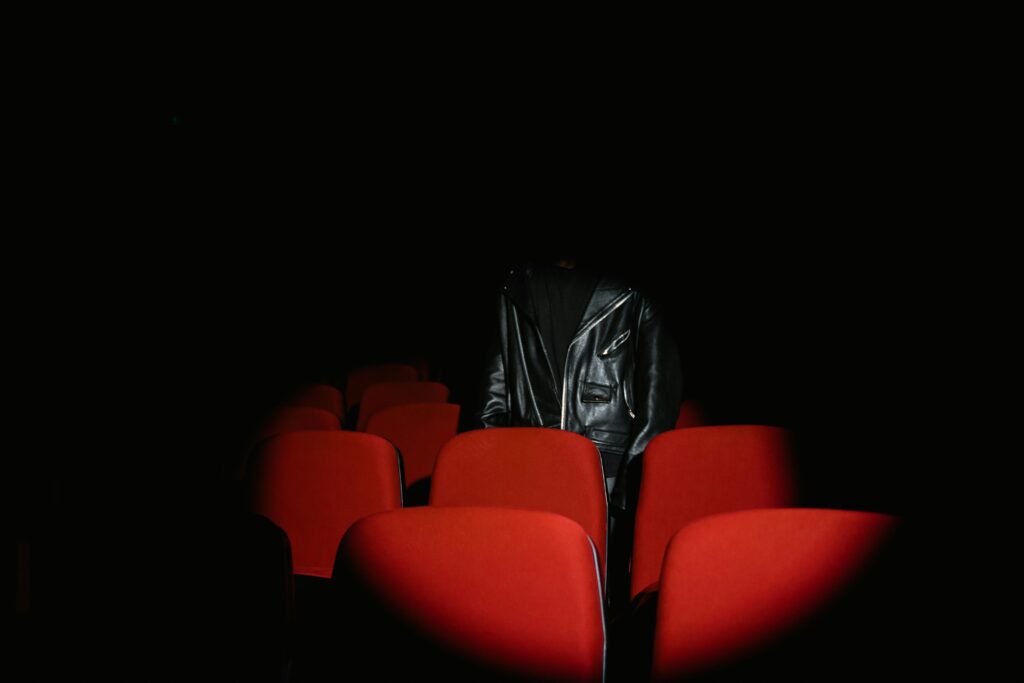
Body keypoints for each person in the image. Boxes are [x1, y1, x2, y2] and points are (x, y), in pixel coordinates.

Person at [475, 256, 682, 610]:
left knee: (595, 596)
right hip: (530, 463)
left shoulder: (635, 288)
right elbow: (495, 390)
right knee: (529, 592)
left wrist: (630, 489)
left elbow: (657, 394)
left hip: (608, 469)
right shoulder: (515, 284)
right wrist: (490, 474)